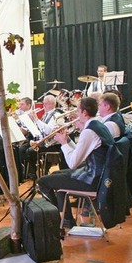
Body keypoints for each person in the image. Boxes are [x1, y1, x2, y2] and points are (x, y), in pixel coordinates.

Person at [38, 97, 115, 230]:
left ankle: (55, 219)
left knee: (43, 181)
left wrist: (62, 143)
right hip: (98, 175)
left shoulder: (89, 131)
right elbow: (79, 153)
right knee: (56, 175)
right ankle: (67, 219)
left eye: (78, 110)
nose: (76, 114)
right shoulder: (98, 124)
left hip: (92, 180)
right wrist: (68, 141)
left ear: (85, 112)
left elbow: (72, 163)